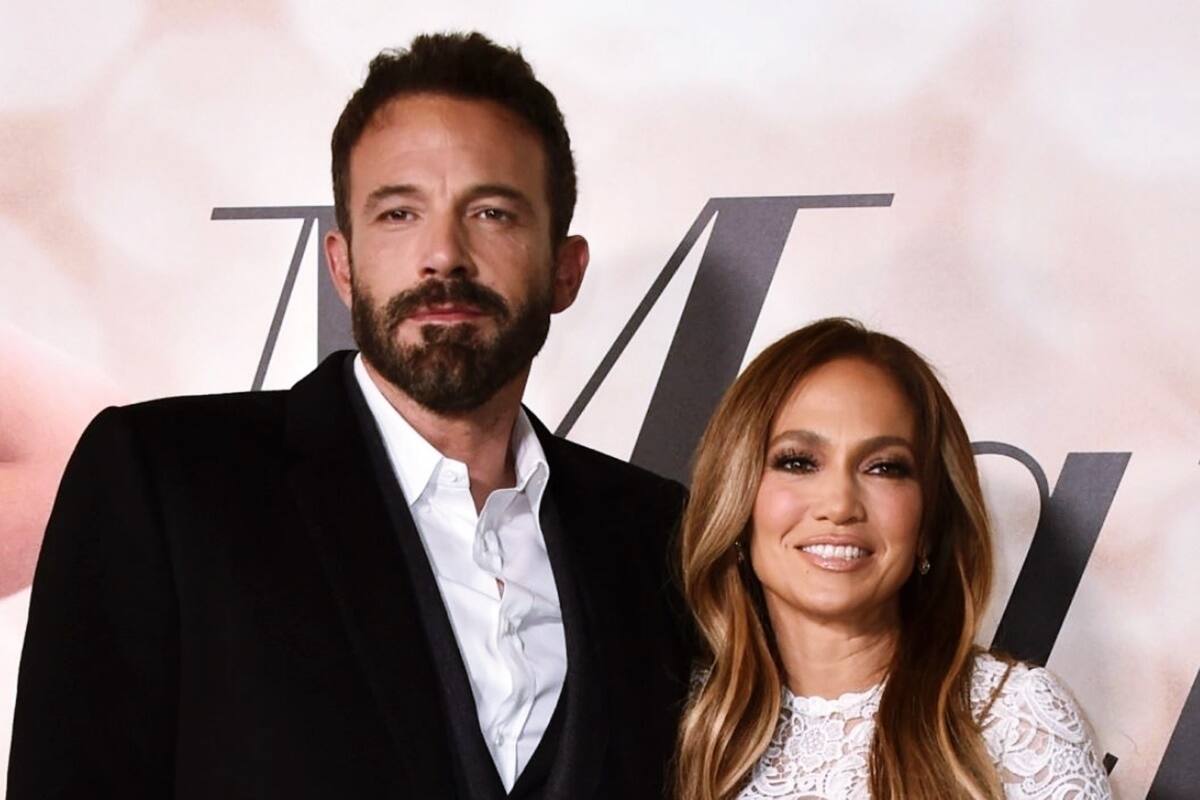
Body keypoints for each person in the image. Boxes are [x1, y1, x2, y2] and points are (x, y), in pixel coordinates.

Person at [9, 33, 690, 799]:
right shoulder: (163, 483)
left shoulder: (656, 535)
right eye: (399, 213)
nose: (443, 255)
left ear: (565, 270)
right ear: (342, 264)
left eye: (492, 212)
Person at [674, 318, 1112, 800]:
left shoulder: (1013, 722)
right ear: (736, 500)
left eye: (884, 467)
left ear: (928, 524)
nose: (840, 504)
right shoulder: (677, 718)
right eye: (797, 462)